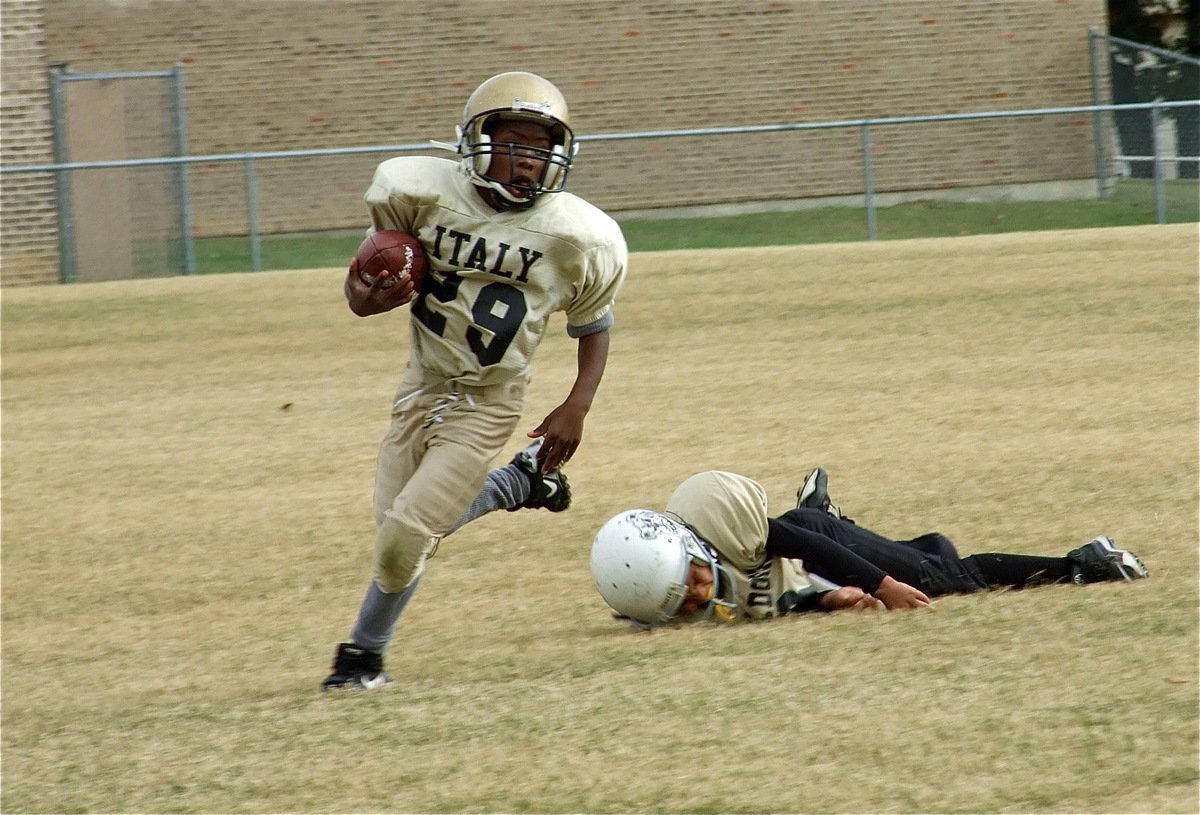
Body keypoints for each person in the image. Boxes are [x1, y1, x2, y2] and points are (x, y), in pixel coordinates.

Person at [322, 71, 627, 690]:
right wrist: (368, 295)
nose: (527, 163)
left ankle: (363, 659)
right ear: (478, 143)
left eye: (541, 150)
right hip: (421, 385)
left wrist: (578, 404)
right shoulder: (420, 194)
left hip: (489, 400)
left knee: (405, 540)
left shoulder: (576, 236)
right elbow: (360, 292)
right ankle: (516, 484)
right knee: (397, 530)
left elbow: (594, 321)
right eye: (514, 144)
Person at [587, 468, 1150, 627]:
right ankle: (922, 546)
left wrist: (883, 585)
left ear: (684, 542)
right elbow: (771, 602)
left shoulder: (714, 515)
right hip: (816, 570)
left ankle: (1082, 564)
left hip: (815, 540)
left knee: (946, 581)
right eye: (681, 601)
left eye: (690, 576)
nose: (699, 592)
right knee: (934, 557)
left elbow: (797, 542)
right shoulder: (664, 605)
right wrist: (825, 602)